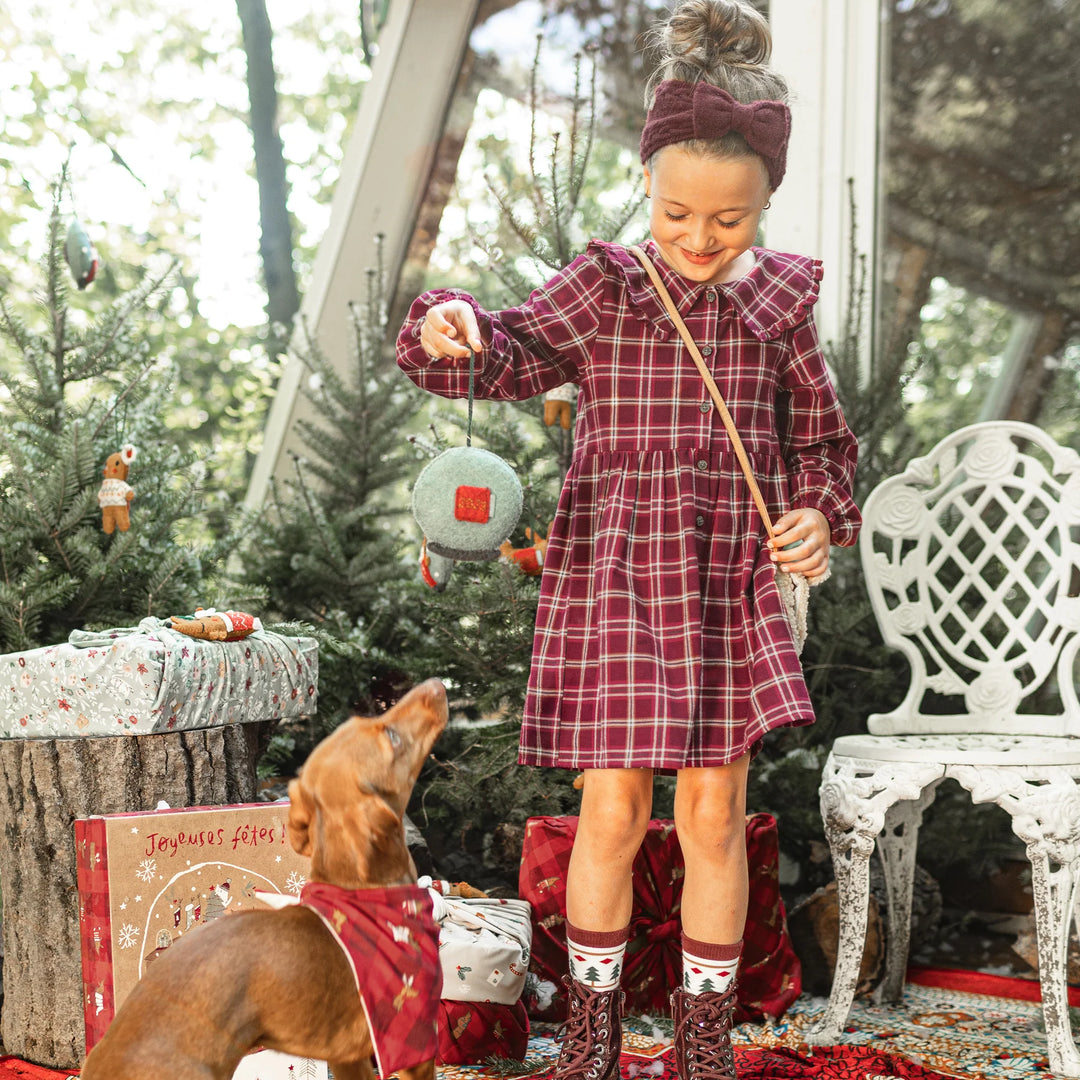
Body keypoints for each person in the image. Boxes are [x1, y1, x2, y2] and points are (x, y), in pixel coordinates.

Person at [396, 2, 861, 1077]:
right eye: (678, 213)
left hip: (725, 576)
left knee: (714, 804)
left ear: (764, 207)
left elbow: (826, 448)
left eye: (729, 222)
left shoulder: (777, 308)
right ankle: (593, 1043)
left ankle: (702, 1045)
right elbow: (504, 354)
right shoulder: (607, 285)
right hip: (617, 573)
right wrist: (450, 318)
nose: (700, 240)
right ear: (648, 189)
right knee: (611, 806)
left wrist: (813, 516)